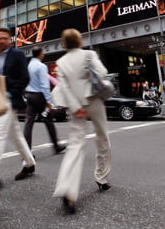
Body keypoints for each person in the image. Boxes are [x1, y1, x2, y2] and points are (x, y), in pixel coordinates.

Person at [52, 29, 111, 214]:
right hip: (93, 100)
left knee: (75, 146)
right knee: (103, 138)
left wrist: (75, 105)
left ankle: (68, 190)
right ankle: (101, 177)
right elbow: (102, 72)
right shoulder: (89, 54)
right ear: (79, 40)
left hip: (75, 106)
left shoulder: (60, 63)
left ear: (64, 43)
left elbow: (65, 87)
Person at [0, 27, 35, 181]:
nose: (2, 41)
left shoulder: (18, 55)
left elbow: (25, 78)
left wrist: (9, 87)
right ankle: (30, 163)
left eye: (5, 38)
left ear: (10, 39)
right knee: (16, 136)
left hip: (9, 99)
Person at [23, 46, 66, 159]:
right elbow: (44, 85)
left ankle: (26, 151)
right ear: (40, 54)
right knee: (48, 120)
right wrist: (48, 101)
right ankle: (56, 145)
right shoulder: (41, 66)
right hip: (39, 96)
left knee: (29, 122)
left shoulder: (29, 65)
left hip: (30, 95)